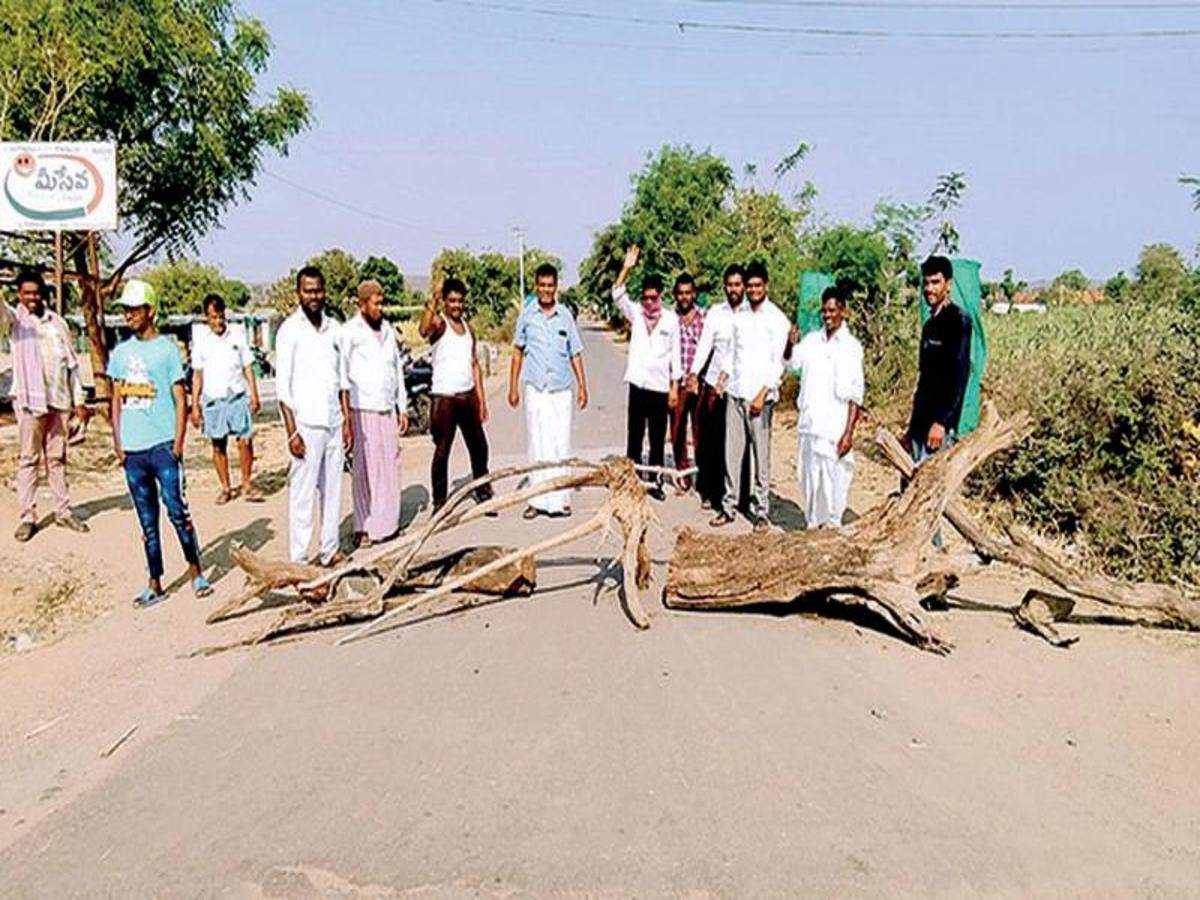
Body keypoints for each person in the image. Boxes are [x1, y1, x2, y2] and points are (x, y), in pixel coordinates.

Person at [106, 279, 211, 607]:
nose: (128, 315)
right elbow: (116, 398)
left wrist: (178, 444)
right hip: (134, 451)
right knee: (147, 520)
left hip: (163, 446)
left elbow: (179, 398)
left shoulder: (167, 350)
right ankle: (155, 581)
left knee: (177, 511)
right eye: (125, 309)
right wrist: (118, 441)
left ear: (150, 311)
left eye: (134, 309)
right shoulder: (121, 353)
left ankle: (196, 572)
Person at [0, 270, 90, 541]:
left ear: (43, 294)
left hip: (59, 400)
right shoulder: (16, 323)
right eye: (26, 293)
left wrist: (80, 401)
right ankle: (28, 517)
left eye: (36, 293)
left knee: (57, 459)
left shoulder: (57, 323)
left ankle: (63, 511)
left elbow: (72, 365)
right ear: (19, 295)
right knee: (29, 459)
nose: (32, 298)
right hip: (29, 403)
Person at [276, 266, 353, 566]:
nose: (314, 296)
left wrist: (346, 422)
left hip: (334, 422)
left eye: (318, 290)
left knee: (333, 490)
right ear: (298, 293)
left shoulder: (335, 328)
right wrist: (292, 433)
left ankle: (330, 549)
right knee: (303, 495)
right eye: (308, 291)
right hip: (305, 425)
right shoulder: (289, 331)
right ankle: (299, 559)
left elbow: (343, 380)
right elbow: (283, 388)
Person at [712, 260, 790, 532]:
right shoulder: (740, 316)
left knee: (761, 457)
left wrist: (762, 393)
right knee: (731, 454)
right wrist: (722, 378)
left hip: (760, 399)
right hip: (735, 393)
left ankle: (761, 512)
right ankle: (729, 506)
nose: (754, 289)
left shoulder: (777, 319)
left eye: (758, 285)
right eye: (750, 285)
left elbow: (778, 363)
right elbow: (732, 353)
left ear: (766, 286)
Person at [508, 262, 588, 519]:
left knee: (560, 442)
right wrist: (512, 387)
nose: (545, 290)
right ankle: (537, 500)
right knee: (537, 442)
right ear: (536, 286)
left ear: (556, 287)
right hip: (535, 388)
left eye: (550, 285)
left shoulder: (565, 315)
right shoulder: (527, 315)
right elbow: (517, 352)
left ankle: (560, 500)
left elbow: (574, 352)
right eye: (541, 285)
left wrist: (583, 386)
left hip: (560, 389)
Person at [786, 287, 864, 529]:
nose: (827, 315)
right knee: (809, 479)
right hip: (810, 424)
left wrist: (848, 433)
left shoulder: (851, 346)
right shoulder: (812, 341)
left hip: (834, 427)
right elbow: (790, 362)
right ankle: (812, 523)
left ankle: (832, 524)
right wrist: (789, 344)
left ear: (843, 311)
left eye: (832, 310)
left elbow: (855, 395)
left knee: (834, 481)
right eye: (824, 311)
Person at [342, 279, 409, 547]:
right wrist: (346, 416)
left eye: (382, 302)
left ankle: (387, 524)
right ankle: (363, 526)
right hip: (362, 408)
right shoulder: (350, 332)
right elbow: (342, 376)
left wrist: (401, 406)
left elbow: (396, 370)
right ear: (362, 304)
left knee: (390, 466)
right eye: (376, 303)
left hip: (386, 407)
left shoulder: (389, 331)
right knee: (365, 469)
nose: (380, 307)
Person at [611, 246, 680, 501]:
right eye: (646, 298)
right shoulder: (636, 315)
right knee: (635, 436)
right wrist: (627, 267)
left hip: (660, 387)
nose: (649, 303)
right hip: (638, 384)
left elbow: (676, 357)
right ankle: (632, 479)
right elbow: (617, 293)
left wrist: (674, 387)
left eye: (653, 298)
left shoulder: (670, 320)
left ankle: (655, 482)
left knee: (657, 439)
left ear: (660, 296)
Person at [419, 277, 492, 512]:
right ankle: (439, 503)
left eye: (460, 301)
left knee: (479, 447)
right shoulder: (440, 325)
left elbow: (474, 364)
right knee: (442, 451)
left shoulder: (469, 329)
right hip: (444, 399)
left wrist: (481, 400)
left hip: (467, 396)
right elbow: (423, 330)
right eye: (452, 301)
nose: (456, 305)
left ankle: (483, 490)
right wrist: (431, 302)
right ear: (445, 302)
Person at [189, 293, 262, 504]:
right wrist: (195, 406)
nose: (218, 321)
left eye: (220, 316)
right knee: (218, 445)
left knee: (245, 440)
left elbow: (248, 367)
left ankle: (247, 485)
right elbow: (197, 375)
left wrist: (254, 394)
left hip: (237, 396)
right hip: (214, 399)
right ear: (206, 317)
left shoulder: (237, 336)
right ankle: (226, 487)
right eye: (213, 317)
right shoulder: (201, 342)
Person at [687, 263, 746, 511]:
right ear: (724, 286)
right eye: (730, 285)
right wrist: (693, 372)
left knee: (737, 444)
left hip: (739, 385)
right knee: (711, 442)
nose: (733, 289)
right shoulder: (716, 312)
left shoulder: (751, 314)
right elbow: (705, 345)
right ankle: (710, 492)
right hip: (713, 385)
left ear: (743, 286)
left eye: (737, 284)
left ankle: (740, 496)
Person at [903, 255, 972, 462]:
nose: (929, 289)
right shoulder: (929, 325)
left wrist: (941, 422)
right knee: (910, 487)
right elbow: (924, 378)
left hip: (938, 431)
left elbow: (959, 376)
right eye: (926, 283)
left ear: (948, 285)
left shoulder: (958, 321)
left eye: (935, 282)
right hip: (920, 425)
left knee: (930, 489)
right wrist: (912, 427)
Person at [669, 272, 704, 494]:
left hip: (698, 383)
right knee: (677, 429)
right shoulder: (668, 317)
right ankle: (683, 472)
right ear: (675, 294)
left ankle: (702, 473)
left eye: (688, 293)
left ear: (694, 294)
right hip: (677, 383)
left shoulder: (705, 318)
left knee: (701, 431)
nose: (684, 297)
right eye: (680, 293)